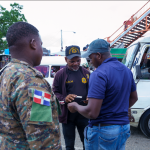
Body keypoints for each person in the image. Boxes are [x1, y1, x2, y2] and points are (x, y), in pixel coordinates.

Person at [0, 22, 62, 149]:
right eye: (41, 44)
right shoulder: (32, 81)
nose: (41, 49)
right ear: (33, 43)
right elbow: (43, 141)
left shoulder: (6, 72)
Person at [68, 39, 138, 150]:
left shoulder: (99, 73)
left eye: (90, 58)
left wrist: (75, 106)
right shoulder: (126, 70)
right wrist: (120, 108)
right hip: (123, 128)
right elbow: (134, 97)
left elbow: (92, 113)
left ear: (99, 55)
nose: (90, 61)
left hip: (103, 131)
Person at [52, 45, 90, 150]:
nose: (75, 64)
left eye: (78, 60)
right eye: (72, 61)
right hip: (67, 116)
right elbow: (54, 92)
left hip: (84, 114)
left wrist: (89, 96)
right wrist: (64, 98)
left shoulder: (86, 73)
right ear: (65, 59)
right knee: (69, 144)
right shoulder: (59, 75)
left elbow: (91, 90)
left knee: (86, 142)